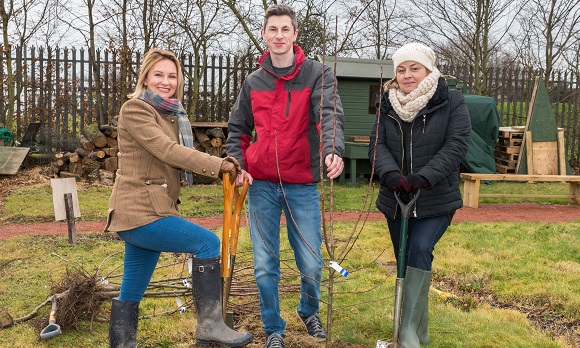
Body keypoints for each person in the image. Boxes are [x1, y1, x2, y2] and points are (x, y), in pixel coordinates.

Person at [104, 49, 253, 348]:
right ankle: (210, 325)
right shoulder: (136, 109)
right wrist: (219, 165)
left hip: (151, 209)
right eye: (158, 74)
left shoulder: (171, 115)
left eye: (172, 76)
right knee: (207, 243)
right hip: (140, 211)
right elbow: (167, 151)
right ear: (145, 77)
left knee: (130, 291)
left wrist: (231, 169)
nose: (166, 81)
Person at [226, 4, 345, 348]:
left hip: (302, 184)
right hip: (261, 183)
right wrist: (238, 164)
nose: (278, 35)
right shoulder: (253, 82)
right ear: (264, 35)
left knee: (310, 261)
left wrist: (332, 149)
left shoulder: (317, 74)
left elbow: (329, 113)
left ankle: (309, 311)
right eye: (272, 29)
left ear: (295, 35)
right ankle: (273, 328)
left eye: (285, 30)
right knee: (264, 264)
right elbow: (237, 130)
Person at [368, 42, 471, 347]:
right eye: (401, 69)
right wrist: (389, 174)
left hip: (435, 197)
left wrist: (424, 177)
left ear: (428, 70)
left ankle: (408, 331)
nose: (407, 75)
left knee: (419, 249)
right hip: (396, 197)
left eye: (414, 68)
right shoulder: (386, 103)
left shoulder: (451, 100)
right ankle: (419, 331)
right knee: (405, 259)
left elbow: (457, 144)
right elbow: (377, 144)